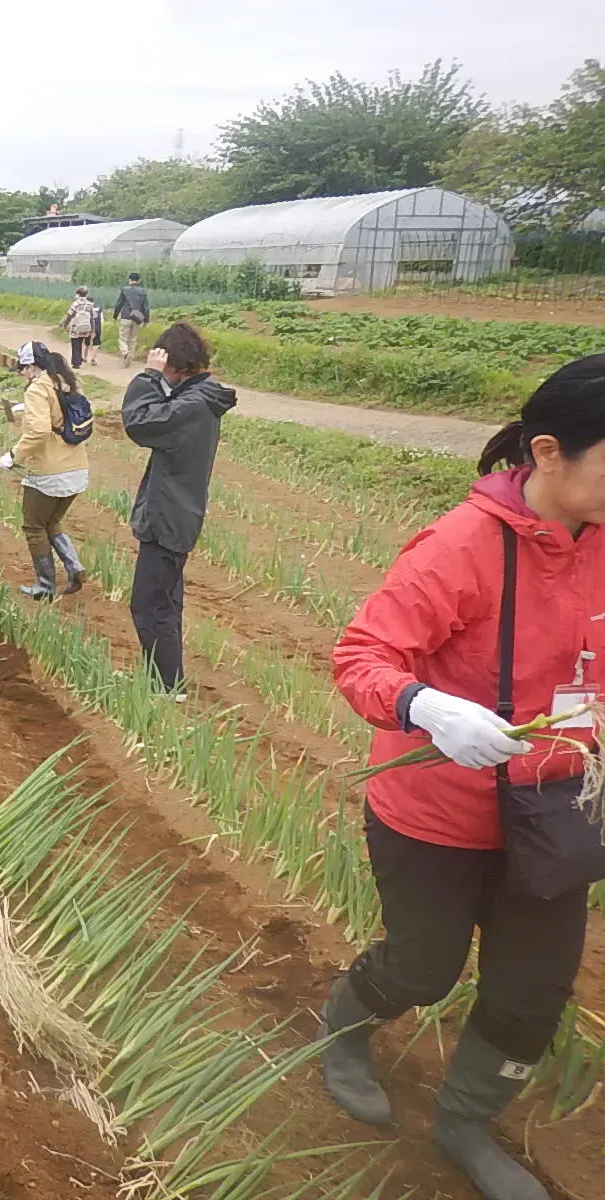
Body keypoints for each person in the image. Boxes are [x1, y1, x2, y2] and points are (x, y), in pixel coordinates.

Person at [323, 356, 605, 1200]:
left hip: (556, 811)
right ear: (548, 452)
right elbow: (361, 657)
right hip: (437, 813)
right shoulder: (463, 546)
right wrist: (426, 706)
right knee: (423, 969)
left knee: (532, 994)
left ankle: (465, 1122)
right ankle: (342, 1030)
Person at [121, 322, 237, 696]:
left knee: (151, 606)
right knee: (162, 604)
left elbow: (139, 422)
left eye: (164, 365)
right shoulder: (199, 398)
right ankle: (165, 682)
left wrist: (149, 378)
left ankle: (167, 689)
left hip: (169, 517)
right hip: (175, 512)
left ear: (177, 365)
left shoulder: (193, 405)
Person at [0, 341, 89, 598]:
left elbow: (39, 431)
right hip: (77, 467)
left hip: (50, 472)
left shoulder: (37, 388)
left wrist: (12, 455)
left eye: (22, 369)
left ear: (30, 366)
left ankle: (45, 586)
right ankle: (73, 566)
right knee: (51, 521)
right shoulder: (63, 381)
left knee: (34, 526)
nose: (22, 374)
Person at [113, 272, 151, 367]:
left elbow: (118, 304)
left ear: (129, 279)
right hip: (137, 318)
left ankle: (125, 352)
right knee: (133, 339)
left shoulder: (124, 289)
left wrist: (115, 316)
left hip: (126, 317)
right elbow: (146, 308)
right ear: (138, 280)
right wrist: (146, 320)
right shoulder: (142, 291)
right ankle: (129, 360)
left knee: (122, 338)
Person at [60, 286, 98, 369]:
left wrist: (65, 325)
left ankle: (76, 362)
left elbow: (69, 315)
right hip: (86, 327)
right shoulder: (90, 304)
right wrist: (93, 330)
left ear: (77, 294)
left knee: (75, 343)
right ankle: (79, 359)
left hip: (76, 327)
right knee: (80, 342)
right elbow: (92, 318)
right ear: (86, 294)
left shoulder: (75, 304)